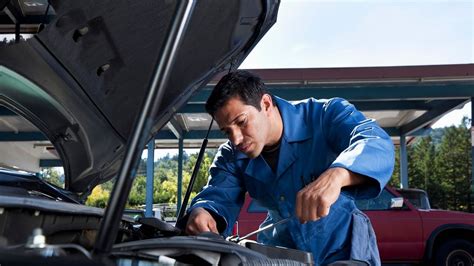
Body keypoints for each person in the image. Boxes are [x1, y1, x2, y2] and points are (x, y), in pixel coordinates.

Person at [178, 70, 395, 265]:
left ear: (265, 104)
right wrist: (203, 212)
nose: (235, 139)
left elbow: (375, 141)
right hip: (281, 255)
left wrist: (337, 174)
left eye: (242, 122)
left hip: (345, 251)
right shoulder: (231, 156)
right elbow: (218, 196)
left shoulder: (327, 115)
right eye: (227, 131)